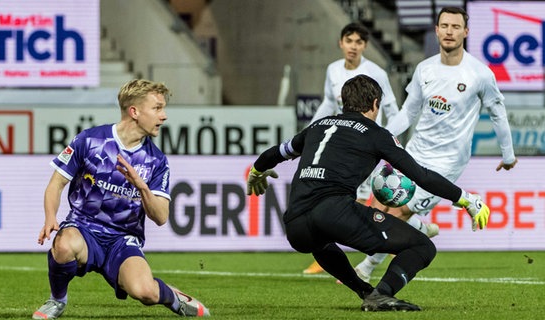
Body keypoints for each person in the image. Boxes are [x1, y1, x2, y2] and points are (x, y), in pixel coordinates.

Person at [246, 74, 491, 311]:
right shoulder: (376, 134)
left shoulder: (318, 126)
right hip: (334, 213)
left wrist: (257, 171)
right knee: (422, 247)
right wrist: (464, 199)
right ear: (375, 104)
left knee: (320, 243)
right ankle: (383, 294)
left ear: (344, 103)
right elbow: (421, 175)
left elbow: (275, 153)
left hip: (295, 224)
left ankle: (365, 292)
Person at [353, 6, 518, 283]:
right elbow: (408, 113)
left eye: (455, 26)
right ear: (436, 30)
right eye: (444, 26)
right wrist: (376, 137)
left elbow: (497, 113)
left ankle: (366, 268)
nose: (449, 31)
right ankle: (421, 226)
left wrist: (508, 154)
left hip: (448, 162)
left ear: (465, 32)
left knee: (399, 211)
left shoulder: (479, 74)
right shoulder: (424, 69)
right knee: (380, 205)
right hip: (414, 152)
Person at [33, 79, 210, 319]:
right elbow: (56, 184)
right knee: (63, 245)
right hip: (84, 229)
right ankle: (57, 301)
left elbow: (160, 217)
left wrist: (142, 186)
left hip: (122, 239)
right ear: (134, 111)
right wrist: (50, 217)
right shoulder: (90, 140)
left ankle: (174, 298)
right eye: (157, 108)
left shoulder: (156, 161)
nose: (164, 115)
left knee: (145, 292)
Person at [303, 22, 438, 275]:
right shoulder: (333, 70)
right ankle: (417, 226)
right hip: (339, 147)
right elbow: (327, 104)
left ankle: (334, 255)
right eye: (349, 41)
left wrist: (386, 142)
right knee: (345, 202)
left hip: (366, 149)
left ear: (365, 45)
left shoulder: (376, 72)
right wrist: (310, 132)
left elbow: (391, 109)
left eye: (358, 42)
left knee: (357, 204)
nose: (353, 46)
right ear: (341, 43)